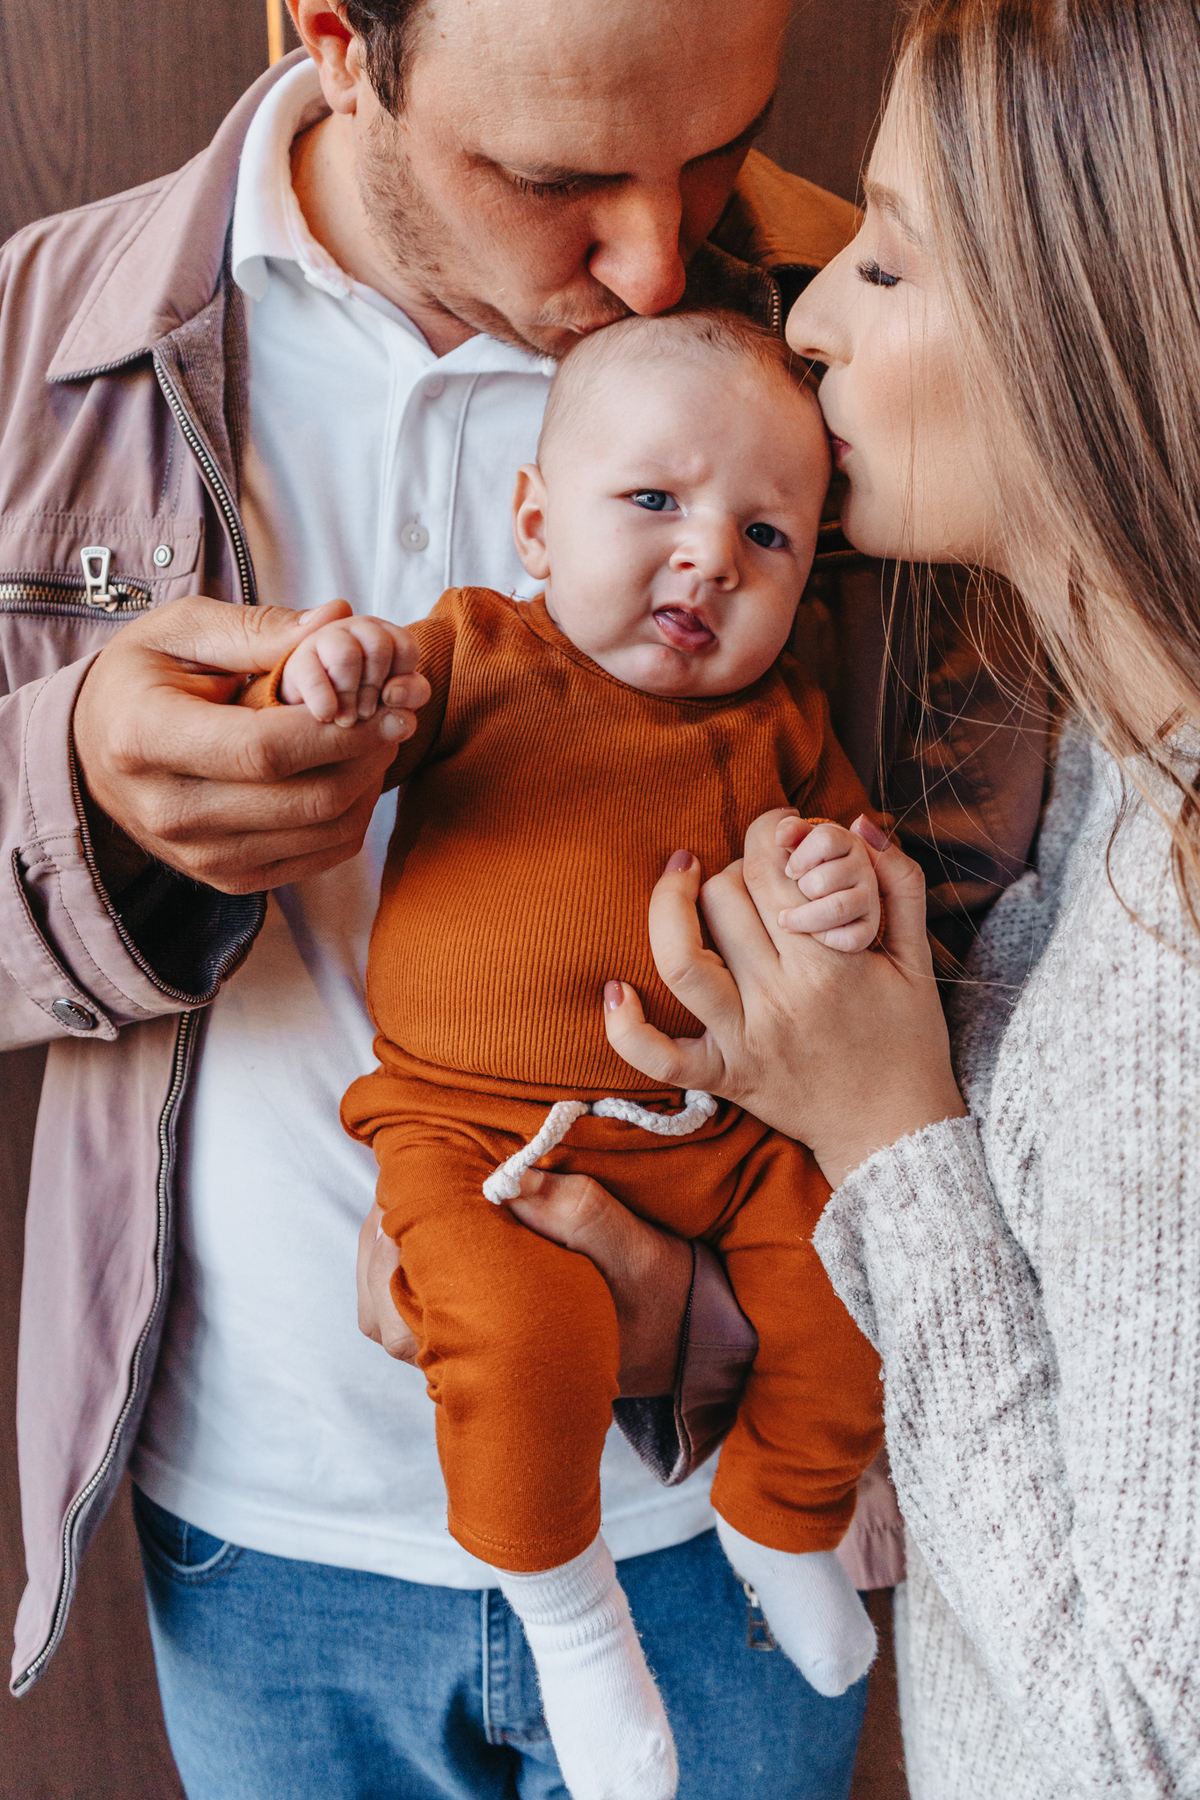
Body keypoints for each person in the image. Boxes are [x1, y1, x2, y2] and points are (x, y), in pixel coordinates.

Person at [0, 0, 1041, 1793]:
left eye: (717, 145)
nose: (656, 262)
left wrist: (707, 1312)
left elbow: (1029, 956)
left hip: (725, 1525)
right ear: (340, 34)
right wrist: (69, 790)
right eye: (556, 177)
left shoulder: (889, 332)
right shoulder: (40, 347)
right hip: (258, 1528)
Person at [589, 2, 1200, 1795]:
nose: (814, 317)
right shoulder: (1110, 775)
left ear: (1090, 329)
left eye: (890, 259)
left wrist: (892, 1139)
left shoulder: (1177, 963)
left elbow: (1145, 1744)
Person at [259, 310, 886, 1799]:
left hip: (718, 1142)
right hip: (472, 1138)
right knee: (521, 1340)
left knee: (852, 1285)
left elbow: (850, 864)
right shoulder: (479, 651)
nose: (710, 560)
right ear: (536, 521)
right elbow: (353, 709)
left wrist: (832, 884)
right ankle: (570, 1615)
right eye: (653, 502)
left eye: (769, 536)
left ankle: (787, 1514)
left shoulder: (783, 720)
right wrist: (328, 669)